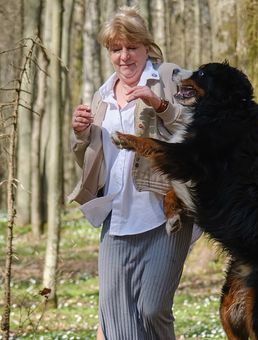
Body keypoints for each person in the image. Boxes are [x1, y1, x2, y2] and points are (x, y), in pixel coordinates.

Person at [69, 6, 194, 340]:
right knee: (118, 326)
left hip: (165, 218)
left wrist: (161, 106)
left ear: (146, 47)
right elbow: (91, 161)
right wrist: (81, 135)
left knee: (152, 309)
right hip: (117, 222)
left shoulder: (172, 78)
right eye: (116, 49)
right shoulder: (102, 96)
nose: (124, 56)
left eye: (132, 47)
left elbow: (201, 129)